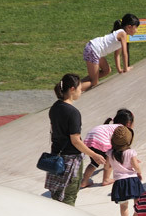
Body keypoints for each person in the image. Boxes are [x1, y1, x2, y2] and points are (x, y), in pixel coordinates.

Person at [45, 74, 105, 206]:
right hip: (70, 161)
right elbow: (76, 141)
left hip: (55, 157)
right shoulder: (73, 113)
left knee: (56, 196)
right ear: (72, 89)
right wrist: (94, 155)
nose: (81, 91)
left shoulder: (54, 107)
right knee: (68, 198)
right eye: (79, 88)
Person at [81, 13, 140, 91]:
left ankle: (77, 83)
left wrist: (119, 70)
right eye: (136, 27)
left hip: (95, 49)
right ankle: (70, 90)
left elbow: (117, 55)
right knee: (94, 82)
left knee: (106, 70)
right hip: (93, 49)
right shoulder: (122, 34)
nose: (136, 30)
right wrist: (126, 69)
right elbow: (124, 53)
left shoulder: (121, 34)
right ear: (129, 27)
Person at [80, 108, 134, 188]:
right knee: (111, 158)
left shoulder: (109, 126)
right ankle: (106, 179)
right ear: (129, 123)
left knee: (94, 162)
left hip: (89, 139)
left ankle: (84, 181)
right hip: (100, 140)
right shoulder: (123, 130)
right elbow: (123, 146)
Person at [107, 125, 144, 216]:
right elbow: (135, 166)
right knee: (138, 201)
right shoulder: (131, 152)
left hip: (119, 182)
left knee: (123, 206)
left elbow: (107, 167)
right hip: (132, 180)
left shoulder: (110, 153)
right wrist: (139, 172)